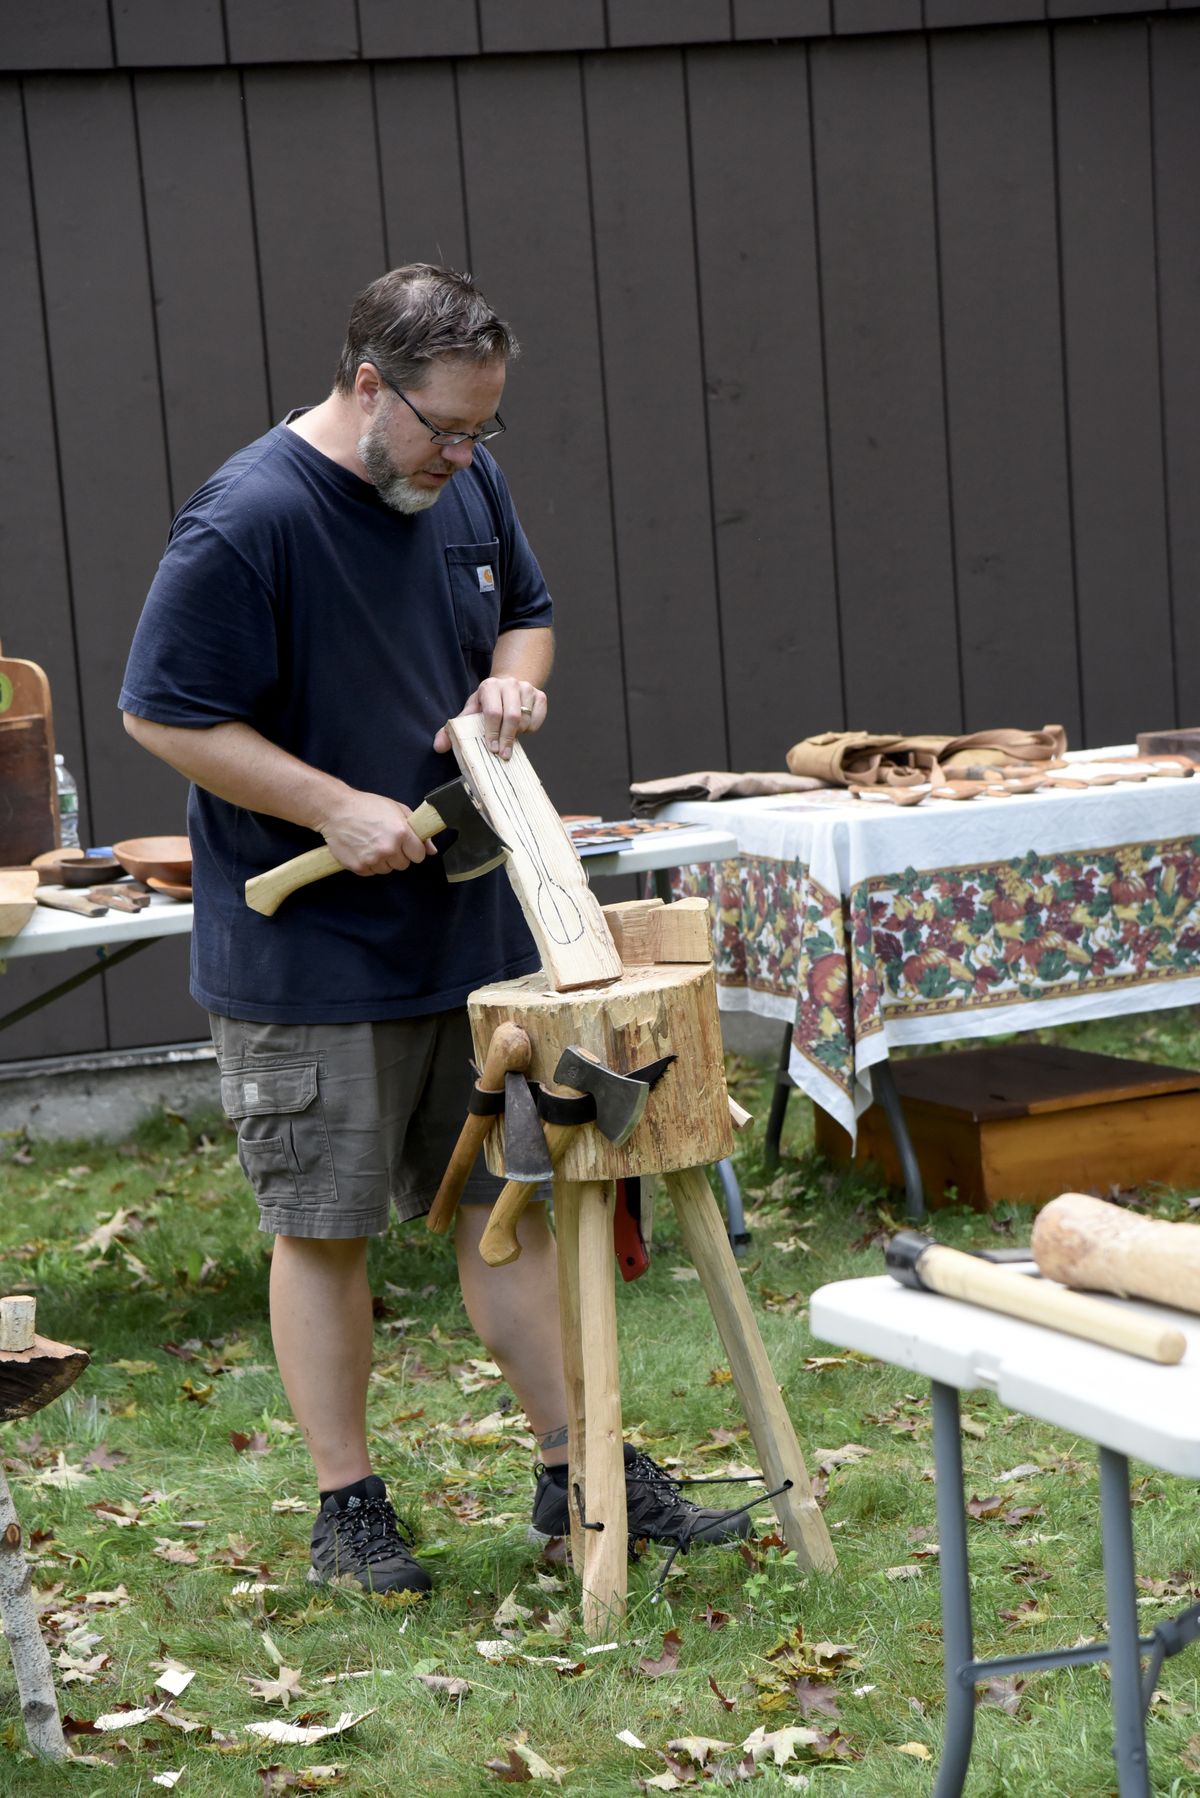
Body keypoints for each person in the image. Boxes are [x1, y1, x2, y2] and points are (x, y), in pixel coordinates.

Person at [120, 263, 748, 1596]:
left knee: (498, 1199)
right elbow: (163, 713)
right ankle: (348, 1508)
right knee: (326, 1224)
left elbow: (529, 617)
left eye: (482, 431)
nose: (462, 456)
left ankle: (581, 1467)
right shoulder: (246, 522)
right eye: (441, 429)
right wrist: (332, 807)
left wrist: (513, 692)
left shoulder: (464, 480)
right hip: (306, 954)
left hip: (466, 931)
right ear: (365, 387)